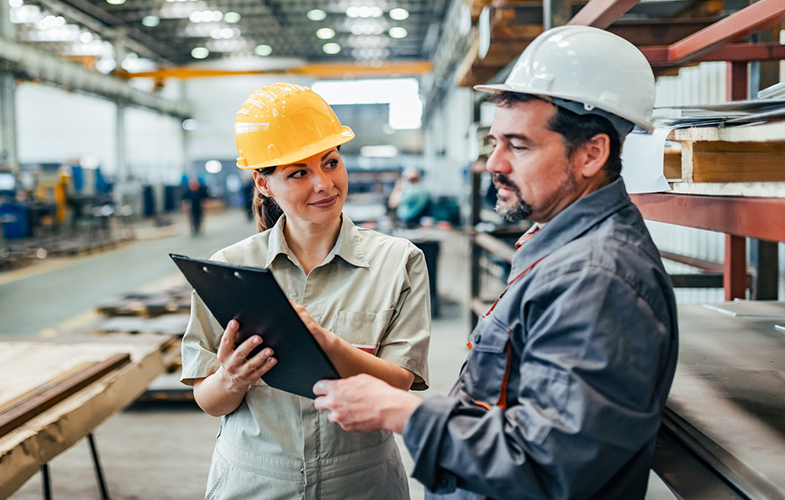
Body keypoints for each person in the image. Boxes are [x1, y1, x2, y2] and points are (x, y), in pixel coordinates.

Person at [311, 26, 679, 499]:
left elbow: (554, 463)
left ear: (592, 153)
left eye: (518, 146)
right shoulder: (556, 243)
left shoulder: (597, 278)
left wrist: (402, 412)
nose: (495, 164)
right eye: (495, 143)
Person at [180, 82, 432, 499]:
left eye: (330, 163)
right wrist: (231, 377)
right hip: (254, 481)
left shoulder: (398, 261)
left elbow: (399, 384)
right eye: (299, 173)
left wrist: (326, 344)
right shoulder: (228, 270)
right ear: (263, 184)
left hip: (362, 482)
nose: (324, 184)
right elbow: (210, 400)